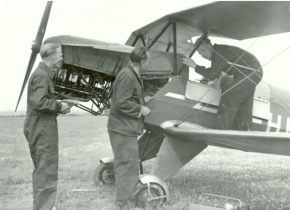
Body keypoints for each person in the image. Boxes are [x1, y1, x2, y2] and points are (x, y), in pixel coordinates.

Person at [23, 43, 71, 210]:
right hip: (41, 129)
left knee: (45, 169)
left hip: (42, 127)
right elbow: (39, 102)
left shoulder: (44, 74)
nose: (62, 59)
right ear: (51, 56)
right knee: (45, 171)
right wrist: (59, 106)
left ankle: (45, 206)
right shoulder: (42, 76)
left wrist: (60, 103)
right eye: (60, 55)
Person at [183, 36, 263, 130]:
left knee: (230, 95)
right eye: (200, 53)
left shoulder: (220, 52)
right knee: (244, 104)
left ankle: (220, 129)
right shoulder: (217, 55)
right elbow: (215, 72)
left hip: (252, 71)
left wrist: (194, 66)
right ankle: (245, 132)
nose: (202, 55)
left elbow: (212, 74)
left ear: (209, 45)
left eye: (203, 50)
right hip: (249, 73)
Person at [107, 46, 151, 209]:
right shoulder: (127, 75)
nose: (149, 64)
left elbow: (129, 96)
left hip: (124, 128)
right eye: (148, 61)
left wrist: (143, 99)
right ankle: (121, 203)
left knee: (131, 165)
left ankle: (128, 197)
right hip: (122, 129)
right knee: (126, 165)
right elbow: (122, 103)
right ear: (141, 61)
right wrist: (141, 109)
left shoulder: (131, 73)